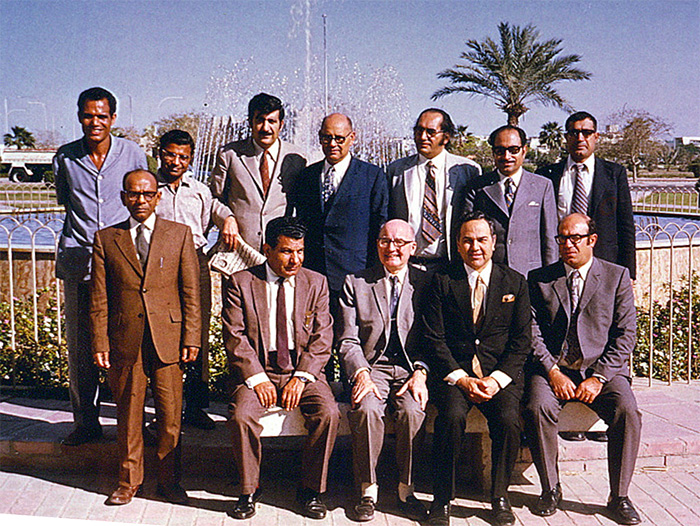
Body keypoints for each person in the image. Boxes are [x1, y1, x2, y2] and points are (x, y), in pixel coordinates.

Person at [90, 169, 201, 506]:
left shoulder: (179, 234)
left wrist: (191, 338)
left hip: (168, 338)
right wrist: (100, 342)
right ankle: (128, 481)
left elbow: (191, 292)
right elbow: (99, 298)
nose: (140, 200)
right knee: (128, 415)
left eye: (147, 194)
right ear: (123, 197)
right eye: (133, 194)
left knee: (170, 417)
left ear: (158, 197)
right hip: (126, 339)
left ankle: (169, 481)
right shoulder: (107, 238)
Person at [524, 213, 642, 525]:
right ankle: (550, 488)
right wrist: (552, 371)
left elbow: (625, 334)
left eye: (575, 238)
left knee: (627, 409)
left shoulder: (616, 276)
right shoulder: (539, 278)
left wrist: (599, 377)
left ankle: (619, 495)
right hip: (553, 369)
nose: (568, 244)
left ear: (591, 239)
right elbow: (531, 333)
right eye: (562, 238)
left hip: (602, 370)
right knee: (537, 406)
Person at [223, 216, 340, 520]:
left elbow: (323, 337)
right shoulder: (241, 282)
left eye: (300, 251)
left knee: (328, 413)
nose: (295, 259)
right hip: (257, 371)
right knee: (241, 416)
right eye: (287, 251)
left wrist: (301, 378)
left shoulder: (316, 282)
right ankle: (249, 489)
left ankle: (311, 490)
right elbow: (234, 337)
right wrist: (257, 378)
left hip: (302, 371)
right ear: (267, 249)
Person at [422, 211, 531, 526]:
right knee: (452, 418)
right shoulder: (442, 281)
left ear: (494, 242)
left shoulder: (515, 282)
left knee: (509, 420)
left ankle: (499, 497)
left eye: (482, 239)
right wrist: (462, 379)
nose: (475, 247)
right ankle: (442, 500)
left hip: (500, 376)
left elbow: (521, 342)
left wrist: (496, 381)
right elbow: (434, 339)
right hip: (455, 375)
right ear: (457, 245)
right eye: (467, 240)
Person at [53, 87, 148, 446]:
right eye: (89, 115)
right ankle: (86, 422)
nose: (96, 122)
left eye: (102, 116)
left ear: (113, 119)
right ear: (79, 117)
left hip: (122, 264)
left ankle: (132, 422)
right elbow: (66, 201)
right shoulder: (65, 157)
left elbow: (143, 198)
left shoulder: (132, 153)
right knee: (80, 347)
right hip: (79, 263)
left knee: (128, 345)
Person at [338, 219, 430, 522]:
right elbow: (348, 339)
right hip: (371, 366)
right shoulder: (356, 282)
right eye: (385, 241)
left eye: (401, 243)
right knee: (365, 410)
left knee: (413, 412)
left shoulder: (426, 284)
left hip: (409, 368)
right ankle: (368, 488)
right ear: (377, 244)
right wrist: (361, 373)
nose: (392, 248)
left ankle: (407, 488)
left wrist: (421, 372)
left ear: (413, 248)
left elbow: (434, 338)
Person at [155, 129, 234, 430]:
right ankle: (164, 408)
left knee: (196, 332)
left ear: (190, 159)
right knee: (161, 334)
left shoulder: (199, 190)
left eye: (183, 157)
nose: (176, 162)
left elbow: (211, 216)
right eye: (170, 154)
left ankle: (196, 406)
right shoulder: (152, 188)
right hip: (158, 266)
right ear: (159, 152)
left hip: (193, 262)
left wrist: (229, 220)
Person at [288, 112, 388, 298]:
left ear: (352, 138)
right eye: (327, 138)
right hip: (313, 273)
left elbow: (379, 224)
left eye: (339, 138)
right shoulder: (306, 176)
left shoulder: (372, 176)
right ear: (319, 137)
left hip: (355, 275)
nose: (332, 144)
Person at [536, 111, 636, 279]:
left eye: (586, 133)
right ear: (566, 137)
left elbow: (625, 226)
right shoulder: (547, 176)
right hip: (558, 267)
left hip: (603, 265)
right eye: (574, 133)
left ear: (596, 136)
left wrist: (629, 274)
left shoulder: (614, 174)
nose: (580, 138)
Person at [209, 92, 307, 253]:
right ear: (250, 122)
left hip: (279, 252)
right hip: (239, 248)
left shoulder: (297, 158)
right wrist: (227, 218)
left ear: (281, 124)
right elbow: (213, 198)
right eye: (260, 120)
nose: (265, 128)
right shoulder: (229, 154)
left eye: (271, 121)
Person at [388, 108, 481, 273]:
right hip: (408, 266)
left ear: (446, 137)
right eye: (418, 131)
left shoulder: (468, 171)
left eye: (430, 132)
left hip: (451, 266)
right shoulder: (396, 171)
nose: (422, 137)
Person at [466, 125, 558, 276]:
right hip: (489, 273)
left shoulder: (542, 186)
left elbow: (549, 238)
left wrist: (550, 278)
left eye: (513, 150)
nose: (507, 156)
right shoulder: (478, 187)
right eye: (500, 151)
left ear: (524, 150)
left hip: (530, 274)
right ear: (493, 152)